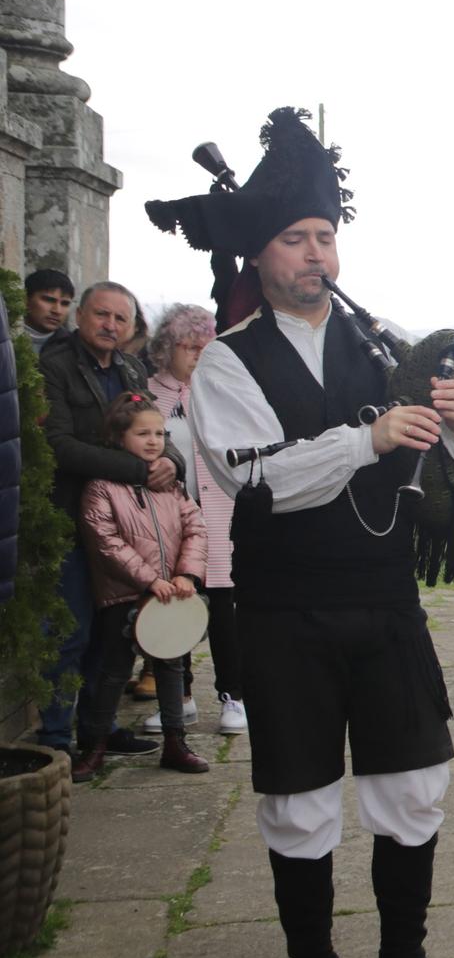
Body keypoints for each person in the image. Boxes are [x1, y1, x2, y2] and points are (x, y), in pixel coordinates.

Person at [161, 106, 454, 958]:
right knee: (301, 799)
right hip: (285, 608)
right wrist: (367, 437)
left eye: (327, 235)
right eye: (296, 238)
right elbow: (256, 478)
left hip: (384, 599)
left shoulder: (380, 342)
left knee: (412, 786)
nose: (317, 252)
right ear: (261, 257)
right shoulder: (228, 364)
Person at [34, 280, 178, 763]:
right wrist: (139, 469)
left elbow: (157, 428)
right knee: (71, 631)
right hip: (74, 520)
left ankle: (100, 727)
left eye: (121, 318)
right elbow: (59, 445)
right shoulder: (55, 367)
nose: (110, 325)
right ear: (81, 316)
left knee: (113, 633)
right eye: (102, 315)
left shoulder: (132, 368)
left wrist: (170, 462)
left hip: (127, 525)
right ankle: (56, 739)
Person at [70, 394, 209, 781]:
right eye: (142, 433)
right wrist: (150, 580)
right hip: (125, 594)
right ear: (118, 438)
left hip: (171, 593)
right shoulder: (101, 487)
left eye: (160, 433)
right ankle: (95, 744)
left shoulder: (171, 485)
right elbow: (106, 541)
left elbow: (195, 528)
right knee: (112, 670)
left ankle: (175, 742)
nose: (153, 441)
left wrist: (186, 575)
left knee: (171, 666)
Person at [147, 303, 248, 738]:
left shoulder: (221, 391)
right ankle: (179, 698)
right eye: (187, 346)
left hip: (220, 514)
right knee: (176, 606)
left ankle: (234, 697)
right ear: (166, 348)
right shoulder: (150, 392)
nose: (195, 354)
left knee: (225, 610)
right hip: (170, 519)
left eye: (203, 346)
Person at [23, 268, 74, 357]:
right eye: (49, 300)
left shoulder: (75, 348)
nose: (57, 311)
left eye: (65, 304)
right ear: (26, 300)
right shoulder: (6, 338)